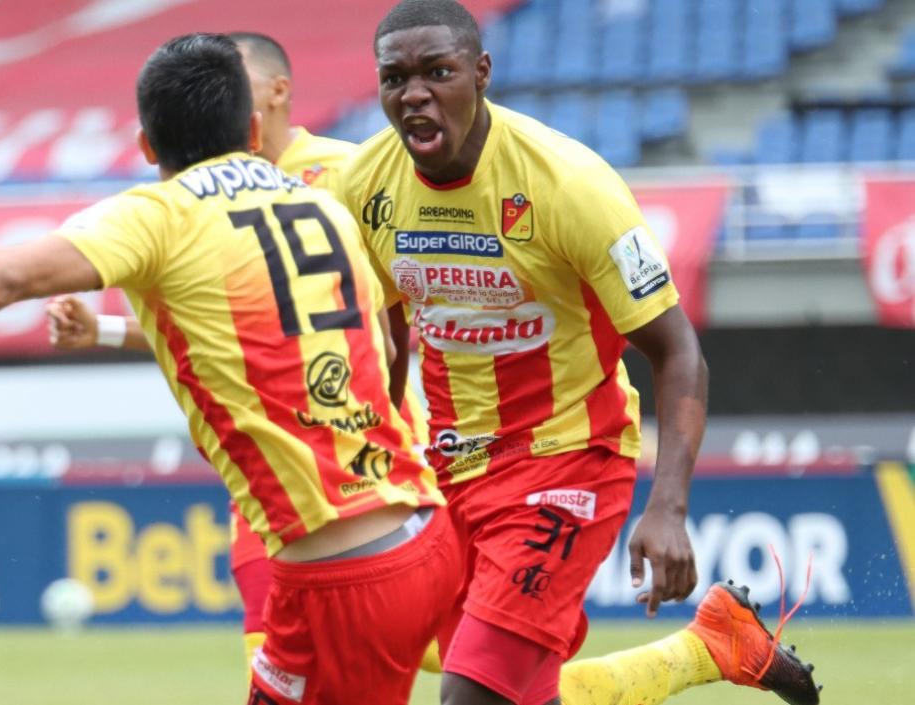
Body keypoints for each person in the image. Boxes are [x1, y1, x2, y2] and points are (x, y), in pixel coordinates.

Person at [0, 33, 461, 705]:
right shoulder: (322, 207)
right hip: (420, 530)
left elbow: (9, 276)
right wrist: (110, 331)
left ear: (146, 144)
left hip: (340, 572)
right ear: (250, 129)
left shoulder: (162, 214)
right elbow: (347, 344)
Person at [332, 2, 821, 705]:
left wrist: (669, 508)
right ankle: (709, 645)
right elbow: (388, 324)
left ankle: (706, 644)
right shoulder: (365, 185)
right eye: (395, 78)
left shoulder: (569, 184)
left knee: (471, 693)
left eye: (437, 72)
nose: (414, 94)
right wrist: (383, 452)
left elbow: (678, 349)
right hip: (449, 470)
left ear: (481, 72)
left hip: (567, 460)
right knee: (508, 684)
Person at [45, 29, 441, 675]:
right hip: (268, 474)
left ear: (274, 96)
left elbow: (391, 316)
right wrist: (107, 331)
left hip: (361, 456)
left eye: (235, 80)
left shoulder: (346, 174)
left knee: (455, 664)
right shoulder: (193, 195)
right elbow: (230, 330)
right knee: (271, 651)